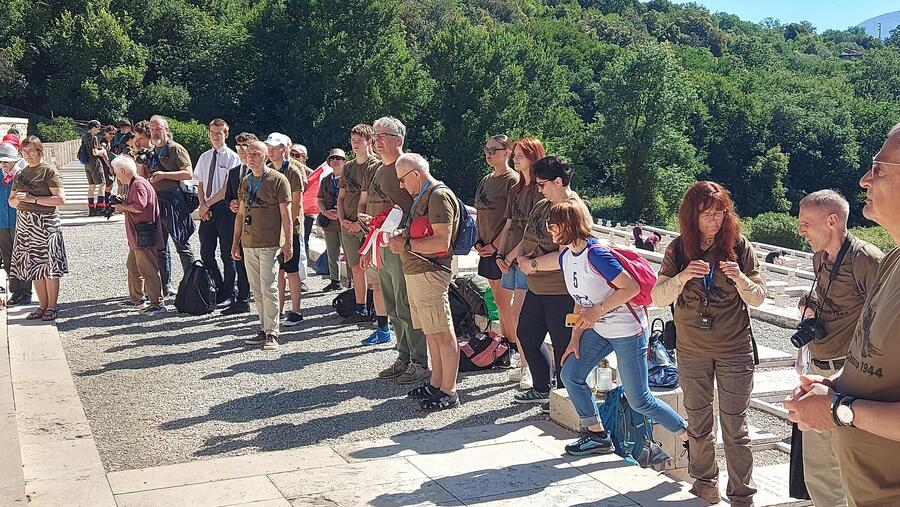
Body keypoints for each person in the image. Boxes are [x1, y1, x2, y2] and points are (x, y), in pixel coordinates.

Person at [785, 125, 900, 507]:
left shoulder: (870, 258)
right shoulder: (894, 261)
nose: (864, 179)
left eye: (878, 169)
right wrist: (833, 385)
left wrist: (840, 409)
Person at [651, 181, 766, 506]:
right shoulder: (678, 249)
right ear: (693, 216)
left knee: (735, 427)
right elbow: (658, 297)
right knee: (699, 424)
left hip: (735, 350)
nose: (714, 221)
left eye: (720, 213)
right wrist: (684, 276)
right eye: (707, 215)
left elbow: (759, 297)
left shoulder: (739, 246)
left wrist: (740, 278)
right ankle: (705, 484)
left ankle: (742, 495)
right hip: (692, 350)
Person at [550, 199, 689, 455]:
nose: (550, 230)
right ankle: (597, 435)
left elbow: (630, 288)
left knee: (640, 400)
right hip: (600, 330)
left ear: (568, 225)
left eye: (553, 225)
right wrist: (575, 337)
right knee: (570, 374)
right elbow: (580, 300)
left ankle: (689, 435)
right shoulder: (566, 257)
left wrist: (598, 310)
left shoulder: (596, 255)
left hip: (627, 331)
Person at [794, 189, 883, 507]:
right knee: (818, 471)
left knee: (855, 468)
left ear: (832, 221)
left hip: (853, 373)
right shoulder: (819, 257)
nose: (800, 230)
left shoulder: (866, 259)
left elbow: (886, 315)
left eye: (805, 223)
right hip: (818, 368)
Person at [387, 153, 462, 410]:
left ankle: (449, 391)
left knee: (441, 332)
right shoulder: (424, 196)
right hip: (419, 272)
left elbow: (442, 241)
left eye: (402, 179)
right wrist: (404, 236)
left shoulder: (438, 196)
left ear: (416, 174)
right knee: (431, 332)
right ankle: (436, 384)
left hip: (431, 272)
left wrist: (405, 243)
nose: (401, 185)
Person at [512, 156, 587, 406]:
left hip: (562, 292)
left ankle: (565, 400)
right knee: (527, 335)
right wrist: (517, 257)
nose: (539, 189)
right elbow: (528, 237)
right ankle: (542, 387)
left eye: (542, 184)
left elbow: (566, 255)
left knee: (563, 345)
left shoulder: (573, 209)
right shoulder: (543, 205)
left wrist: (532, 264)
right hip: (536, 287)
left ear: (558, 181)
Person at [359, 116, 429, 385]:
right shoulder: (379, 170)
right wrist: (372, 230)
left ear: (398, 139)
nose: (376, 140)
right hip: (382, 245)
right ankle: (403, 356)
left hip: (403, 246)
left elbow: (419, 206)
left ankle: (418, 361)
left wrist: (403, 235)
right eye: (375, 136)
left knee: (405, 303)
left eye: (382, 136)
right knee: (391, 303)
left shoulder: (407, 166)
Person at [231, 141, 293, 351]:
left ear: (266, 156)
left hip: (269, 242)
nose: (251, 157)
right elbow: (241, 214)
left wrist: (288, 242)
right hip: (249, 242)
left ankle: (273, 332)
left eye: (256, 154)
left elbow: (286, 215)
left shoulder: (278, 180)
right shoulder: (246, 181)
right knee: (256, 289)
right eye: (249, 153)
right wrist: (235, 242)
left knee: (269, 286)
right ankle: (263, 327)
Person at [495, 137, 546, 390]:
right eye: (514, 154)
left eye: (520, 155)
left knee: (520, 315)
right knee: (514, 314)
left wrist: (511, 255)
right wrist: (500, 254)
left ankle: (530, 368)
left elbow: (532, 232)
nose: (514, 159)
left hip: (528, 258)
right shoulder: (516, 188)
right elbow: (509, 225)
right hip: (512, 258)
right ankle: (524, 363)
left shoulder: (540, 190)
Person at [9, 136, 68, 321]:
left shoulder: (49, 171)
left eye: (31, 151)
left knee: (49, 266)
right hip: (25, 223)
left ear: (40, 151)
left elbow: (60, 199)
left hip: (46, 223)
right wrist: (17, 200)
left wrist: (33, 199)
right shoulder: (20, 173)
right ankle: (42, 305)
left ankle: (52, 306)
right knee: (34, 266)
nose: (27, 154)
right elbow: (11, 201)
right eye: (24, 151)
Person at [474, 135, 518, 347]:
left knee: (504, 300)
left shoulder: (512, 180)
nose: (489, 154)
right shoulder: (486, 180)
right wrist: (478, 241)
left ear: (508, 152)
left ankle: (513, 344)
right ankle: (506, 343)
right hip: (486, 247)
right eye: (487, 150)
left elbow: (513, 220)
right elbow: (480, 214)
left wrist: (495, 246)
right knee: (497, 301)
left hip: (502, 250)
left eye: (494, 150)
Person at [338, 124, 382, 328]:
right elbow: (341, 196)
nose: (355, 144)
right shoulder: (348, 167)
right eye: (353, 140)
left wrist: (360, 224)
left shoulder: (375, 165)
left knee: (371, 268)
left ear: (369, 142)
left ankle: (376, 308)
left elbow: (370, 200)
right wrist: (341, 219)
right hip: (347, 223)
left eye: (359, 140)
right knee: (355, 267)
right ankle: (360, 306)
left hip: (366, 225)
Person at [147, 115, 196, 296]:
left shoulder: (176, 149)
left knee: (182, 244)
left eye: (158, 129)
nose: (155, 132)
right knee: (160, 247)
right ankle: (166, 285)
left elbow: (188, 173)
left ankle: (192, 283)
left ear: (166, 130)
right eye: (152, 129)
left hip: (173, 201)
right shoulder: (150, 151)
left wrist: (164, 175)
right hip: (156, 201)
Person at [195, 119, 241, 307]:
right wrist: (202, 205)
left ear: (226, 134)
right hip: (207, 207)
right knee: (206, 253)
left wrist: (207, 204)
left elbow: (226, 188)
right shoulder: (205, 157)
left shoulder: (232, 158)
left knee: (227, 253)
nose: (215, 136)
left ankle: (229, 292)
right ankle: (217, 286)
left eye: (219, 132)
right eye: (212, 132)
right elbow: (200, 183)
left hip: (223, 208)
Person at [111, 157, 165, 315]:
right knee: (133, 266)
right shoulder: (138, 183)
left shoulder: (138, 184)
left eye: (116, 172)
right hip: (137, 236)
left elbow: (140, 206)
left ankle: (157, 303)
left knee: (148, 270)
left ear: (122, 171)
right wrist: (124, 201)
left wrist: (122, 207)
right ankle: (137, 299)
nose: (116, 175)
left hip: (143, 235)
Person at [266, 133, 307, 326]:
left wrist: (287, 227)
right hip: (272, 227)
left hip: (290, 228)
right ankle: (279, 309)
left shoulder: (293, 171)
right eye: (269, 148)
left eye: (275, 147)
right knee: (278, 270)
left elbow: (297, 203)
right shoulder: (267, 169)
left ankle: (296, 311)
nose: (271, 151)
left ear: (285, 149)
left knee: (291, 269)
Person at [221, 132, 258, 315]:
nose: (242, 150)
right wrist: (232, 204)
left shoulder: (260, 172)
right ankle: (242, 298)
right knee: (239, 260)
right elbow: (228, 196)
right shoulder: (234, 172)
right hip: (238, 223)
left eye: (246, 146)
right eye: (239, 147)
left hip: (257, 224)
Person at [0, 143, 31, 305]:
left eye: (6, 160)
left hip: (20, 220)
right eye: (1, 161)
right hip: (2, 221)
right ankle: (15, 291)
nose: (3, 164)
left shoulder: (22, 175)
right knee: (8, 258)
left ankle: (25, 291)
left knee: (22, 257)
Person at [316, 148, 346, 292]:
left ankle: (353, 282)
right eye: (332, 158)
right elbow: (320, 199)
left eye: (338, 158)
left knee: (350, 253)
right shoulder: (326, 180)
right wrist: (325, 212)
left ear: (344, 161)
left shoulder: (349, 179)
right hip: (330, 222)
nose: (335, 161)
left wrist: (342, 213)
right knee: (332, 253)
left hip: (346, 221)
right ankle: (335, 280)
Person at [82, 120, 106, 216]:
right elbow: (95, 152)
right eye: (98, 127)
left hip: (87, 163)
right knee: (102, 184)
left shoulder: (84, 137)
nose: (99, 130)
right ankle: (100, 208)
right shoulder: (93, 138)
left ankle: (91, 209)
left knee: (91, 186)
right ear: (94, 127)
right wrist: (102, 151)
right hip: (95, 162)